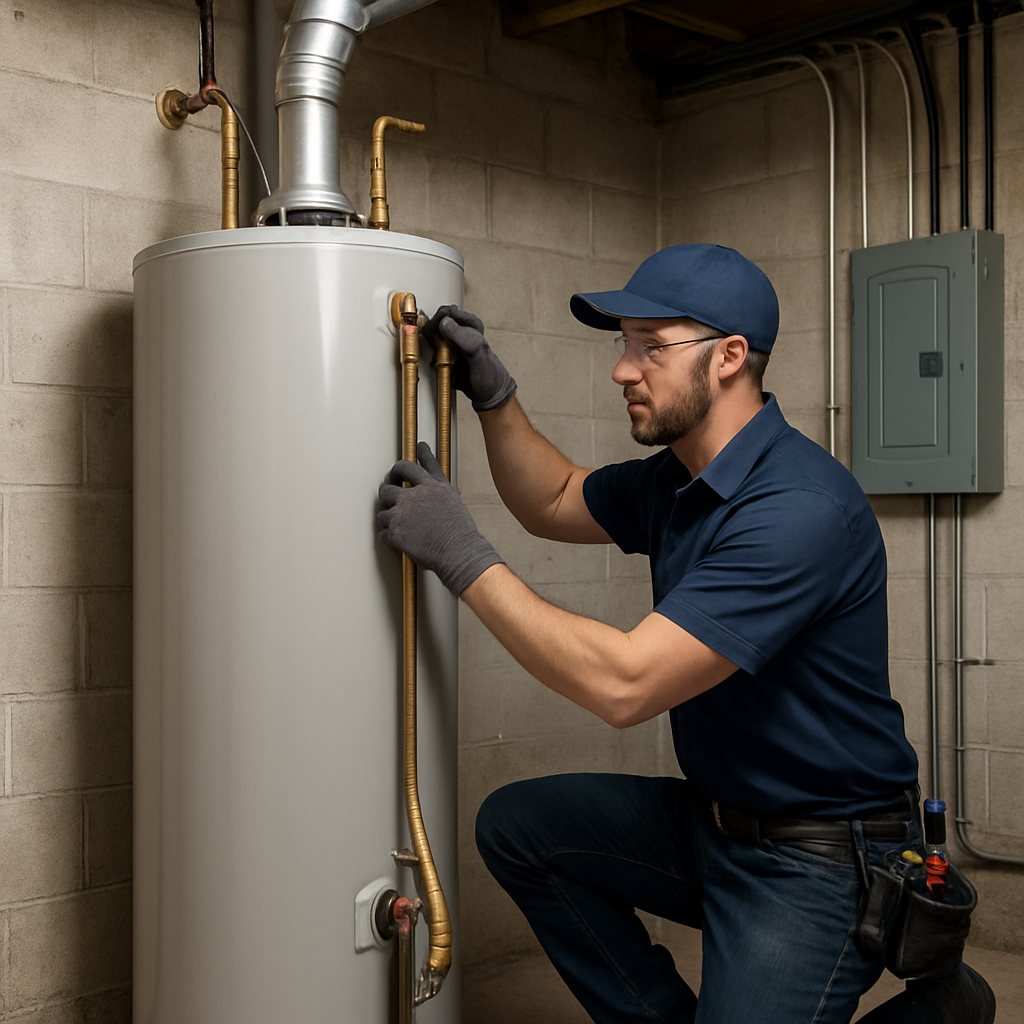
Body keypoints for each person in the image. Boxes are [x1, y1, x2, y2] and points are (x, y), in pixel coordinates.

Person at [376, 243, 995, 1024]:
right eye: (624, 345)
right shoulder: (679, 476)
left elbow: (625, 684)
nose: (623, 370)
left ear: (730, 357)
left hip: (818, 858)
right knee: (520, 827)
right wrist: (494, 396)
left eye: (651, 348)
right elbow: (557, 499)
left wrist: (464, 558)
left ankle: (945, 1010)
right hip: (716, 825)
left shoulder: (796, 508)